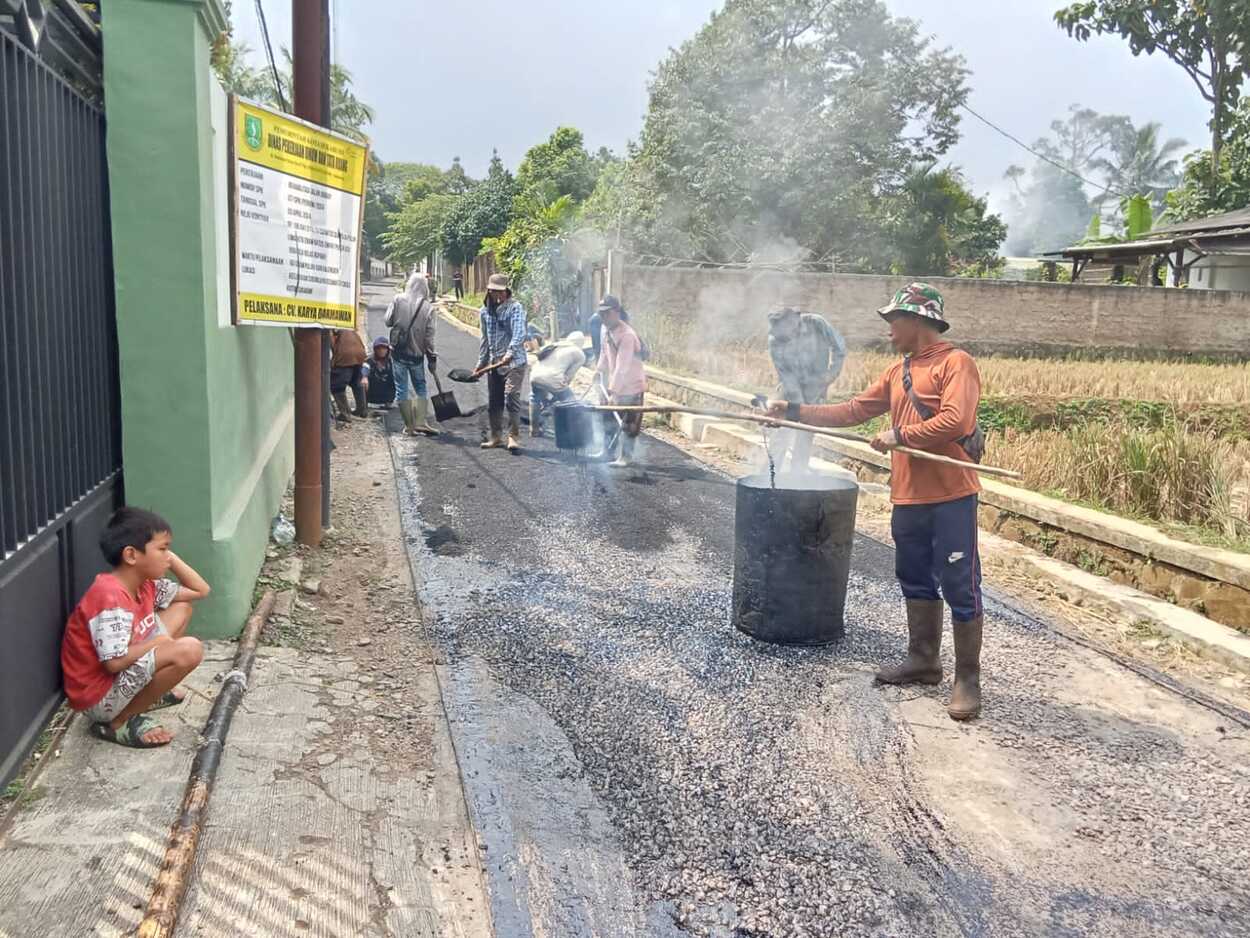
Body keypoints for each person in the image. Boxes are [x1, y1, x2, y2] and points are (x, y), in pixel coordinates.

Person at [768, 283, 984, 720]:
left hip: (951, 495)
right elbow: (850, 411)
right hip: (908, 496)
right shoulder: (895, 373)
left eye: (893, 322)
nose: (888, 331)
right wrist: (792, 410)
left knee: (960, 582)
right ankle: (924, 660)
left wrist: (899, 435)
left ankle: (967, 679)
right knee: (914, 576)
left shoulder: (955, 363)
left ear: (918, 321)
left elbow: (956, 419)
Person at [60, 507, 210, 748]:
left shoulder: (145, 584)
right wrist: (158, 644)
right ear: (131, 555)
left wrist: (170, 559)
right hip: (99, 697)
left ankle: (146, 694)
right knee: (189, 650)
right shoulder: (109, 596)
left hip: (123, 674)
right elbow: (114, 663)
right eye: (162, 549)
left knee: (182, 608)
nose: (167, 556)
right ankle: (118, 721)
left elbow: (200, 590)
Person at [766, 308, 847, 472]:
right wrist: (799, 408)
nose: (782, 337)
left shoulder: (816, 323)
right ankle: (770, 475)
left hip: (816, 387)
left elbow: (839, 348)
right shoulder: (775, 340)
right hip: (789, 389)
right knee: (780, 431)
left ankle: (798, 476)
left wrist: (830, 376)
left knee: (805, 435)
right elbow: (787, 377)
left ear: (793, 321)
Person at [477, 273, 529, 452]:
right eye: (492, 292)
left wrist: (510, 353)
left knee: (511, 397)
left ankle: (513, 436)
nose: (496, 295)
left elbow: (519, 333)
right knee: (494, 401)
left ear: (506, 291)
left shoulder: (515, 308)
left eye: (499, 292)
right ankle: (496, 437)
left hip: (514, 363)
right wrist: (481, 363)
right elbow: (485, 340)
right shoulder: (484, 312)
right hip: (495, 363)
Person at [385, 272, 438, 436]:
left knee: (401, 389)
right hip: (416, 355)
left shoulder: (398, 299)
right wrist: (431, 359)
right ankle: (420, 422)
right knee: (420, 387)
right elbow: (429, 338)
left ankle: (409, 426)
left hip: (398, 353)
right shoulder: (428, 308)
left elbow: (387, 321)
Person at [596, 295, 646, 468]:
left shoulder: (627, 335)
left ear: (616, 312)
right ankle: (607, 452)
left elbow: (622, 367)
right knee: (607, 419)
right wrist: (598, 370)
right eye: (601, 314)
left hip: (631, 386)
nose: (603, 318)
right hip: (616, 384)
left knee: (629, 424)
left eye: (606, 314)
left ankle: (626, 457)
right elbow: (604, 353)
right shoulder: (607, 330)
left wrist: (613, 391)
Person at [529, 331, 587, 437]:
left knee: (535, 399)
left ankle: (534, 429)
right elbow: (568, 377)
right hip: (553, 378)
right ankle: (571, 432)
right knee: (570, 401)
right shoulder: (579, 353)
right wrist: (558, 394)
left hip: (534, 375)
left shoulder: (555, 345)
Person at [330, 325, 369, 426]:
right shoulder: (345, 323)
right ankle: (362, 410)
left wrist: (333, 362)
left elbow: (331, 343)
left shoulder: (330, 327)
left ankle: (345, 414)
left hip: (345, 355)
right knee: (356, 382)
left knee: (337, 386)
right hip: (359, 352)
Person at [362, 336, 396, 411]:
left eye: (384, 348)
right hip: (372, 394)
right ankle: (365, 403)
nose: (381, 351)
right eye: (379, 348)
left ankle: (388, 402)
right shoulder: (369, 360)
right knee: (362, 381)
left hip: (387, 395)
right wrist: (364, 377)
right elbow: (365, 367)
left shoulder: (392, 361)